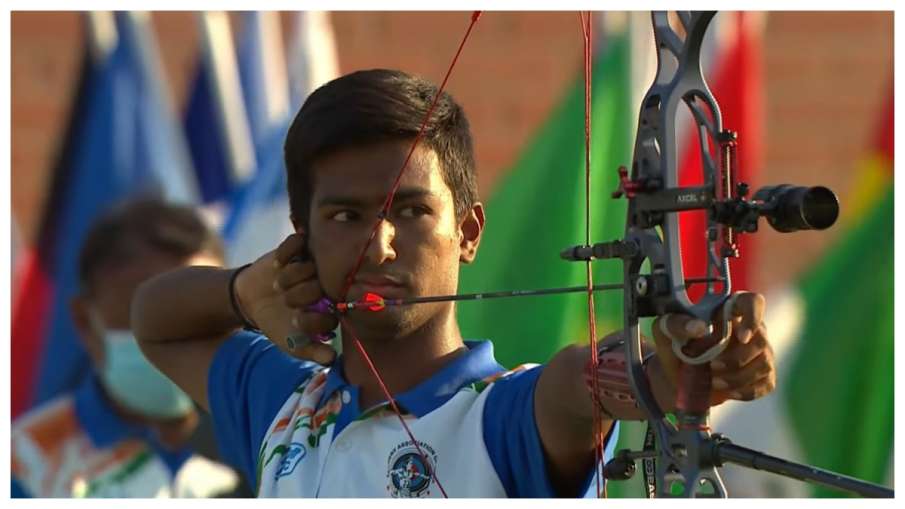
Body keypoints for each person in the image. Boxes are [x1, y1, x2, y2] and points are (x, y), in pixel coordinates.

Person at [132, 69, 775, 498]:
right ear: (302, 236)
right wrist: (248, 290)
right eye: (345, 216)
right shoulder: (285, 405)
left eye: (410, 211)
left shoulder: (503, 416)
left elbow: (593, 382)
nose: (379, 243)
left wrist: (689, 364)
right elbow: (152, 319)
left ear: (468, 233)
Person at [11, 199, 243, 498]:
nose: (174, 334)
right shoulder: (26, 463)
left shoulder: (277, 429)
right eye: (146, 312)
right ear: (84, 321)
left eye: (196, 310)